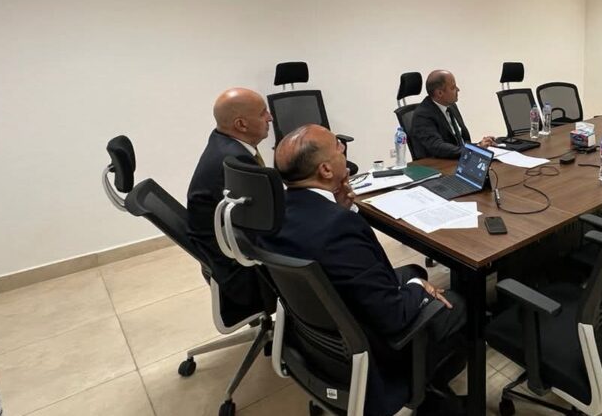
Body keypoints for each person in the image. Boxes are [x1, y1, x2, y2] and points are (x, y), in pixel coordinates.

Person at [264, 125, 466, 415]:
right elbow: (393, 317)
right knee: (457, 304)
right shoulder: (337, 228)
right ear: (325, 170)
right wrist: (417, 289)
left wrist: (342, 209)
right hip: (371, 348)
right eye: (338, 147)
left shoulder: (276, 211)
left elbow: (331, 253)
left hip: (322, 337)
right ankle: (426, 388)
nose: (344, 151)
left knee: (414, 271)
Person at [186, 87, 277, 321]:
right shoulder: (236, 161)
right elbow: (269, 223)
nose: (270, 118)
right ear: (241, 124)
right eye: (263, 113)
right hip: (242, 274)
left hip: (223, 256)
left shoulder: (223, 143)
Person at [409, 70, 494, 159]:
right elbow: (438, 147)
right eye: (453, 87)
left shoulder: (451, 106)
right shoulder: (422, 115)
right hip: (439, 163)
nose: (458, 89)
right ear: (440, 93)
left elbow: (461, 140)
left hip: (458, 159)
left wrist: (480, 145)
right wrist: (475, 150)